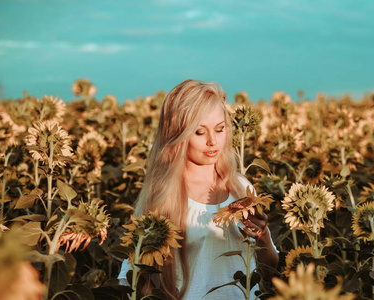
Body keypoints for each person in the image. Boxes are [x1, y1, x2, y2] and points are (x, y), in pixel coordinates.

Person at [118, 79, 279, 300]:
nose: (212, 141)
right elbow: (138, 281)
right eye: (199, 132)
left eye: (220, 129)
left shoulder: (241, 188)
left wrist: (262, 239)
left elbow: (270, 268)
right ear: (178, 134)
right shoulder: (163, 198)